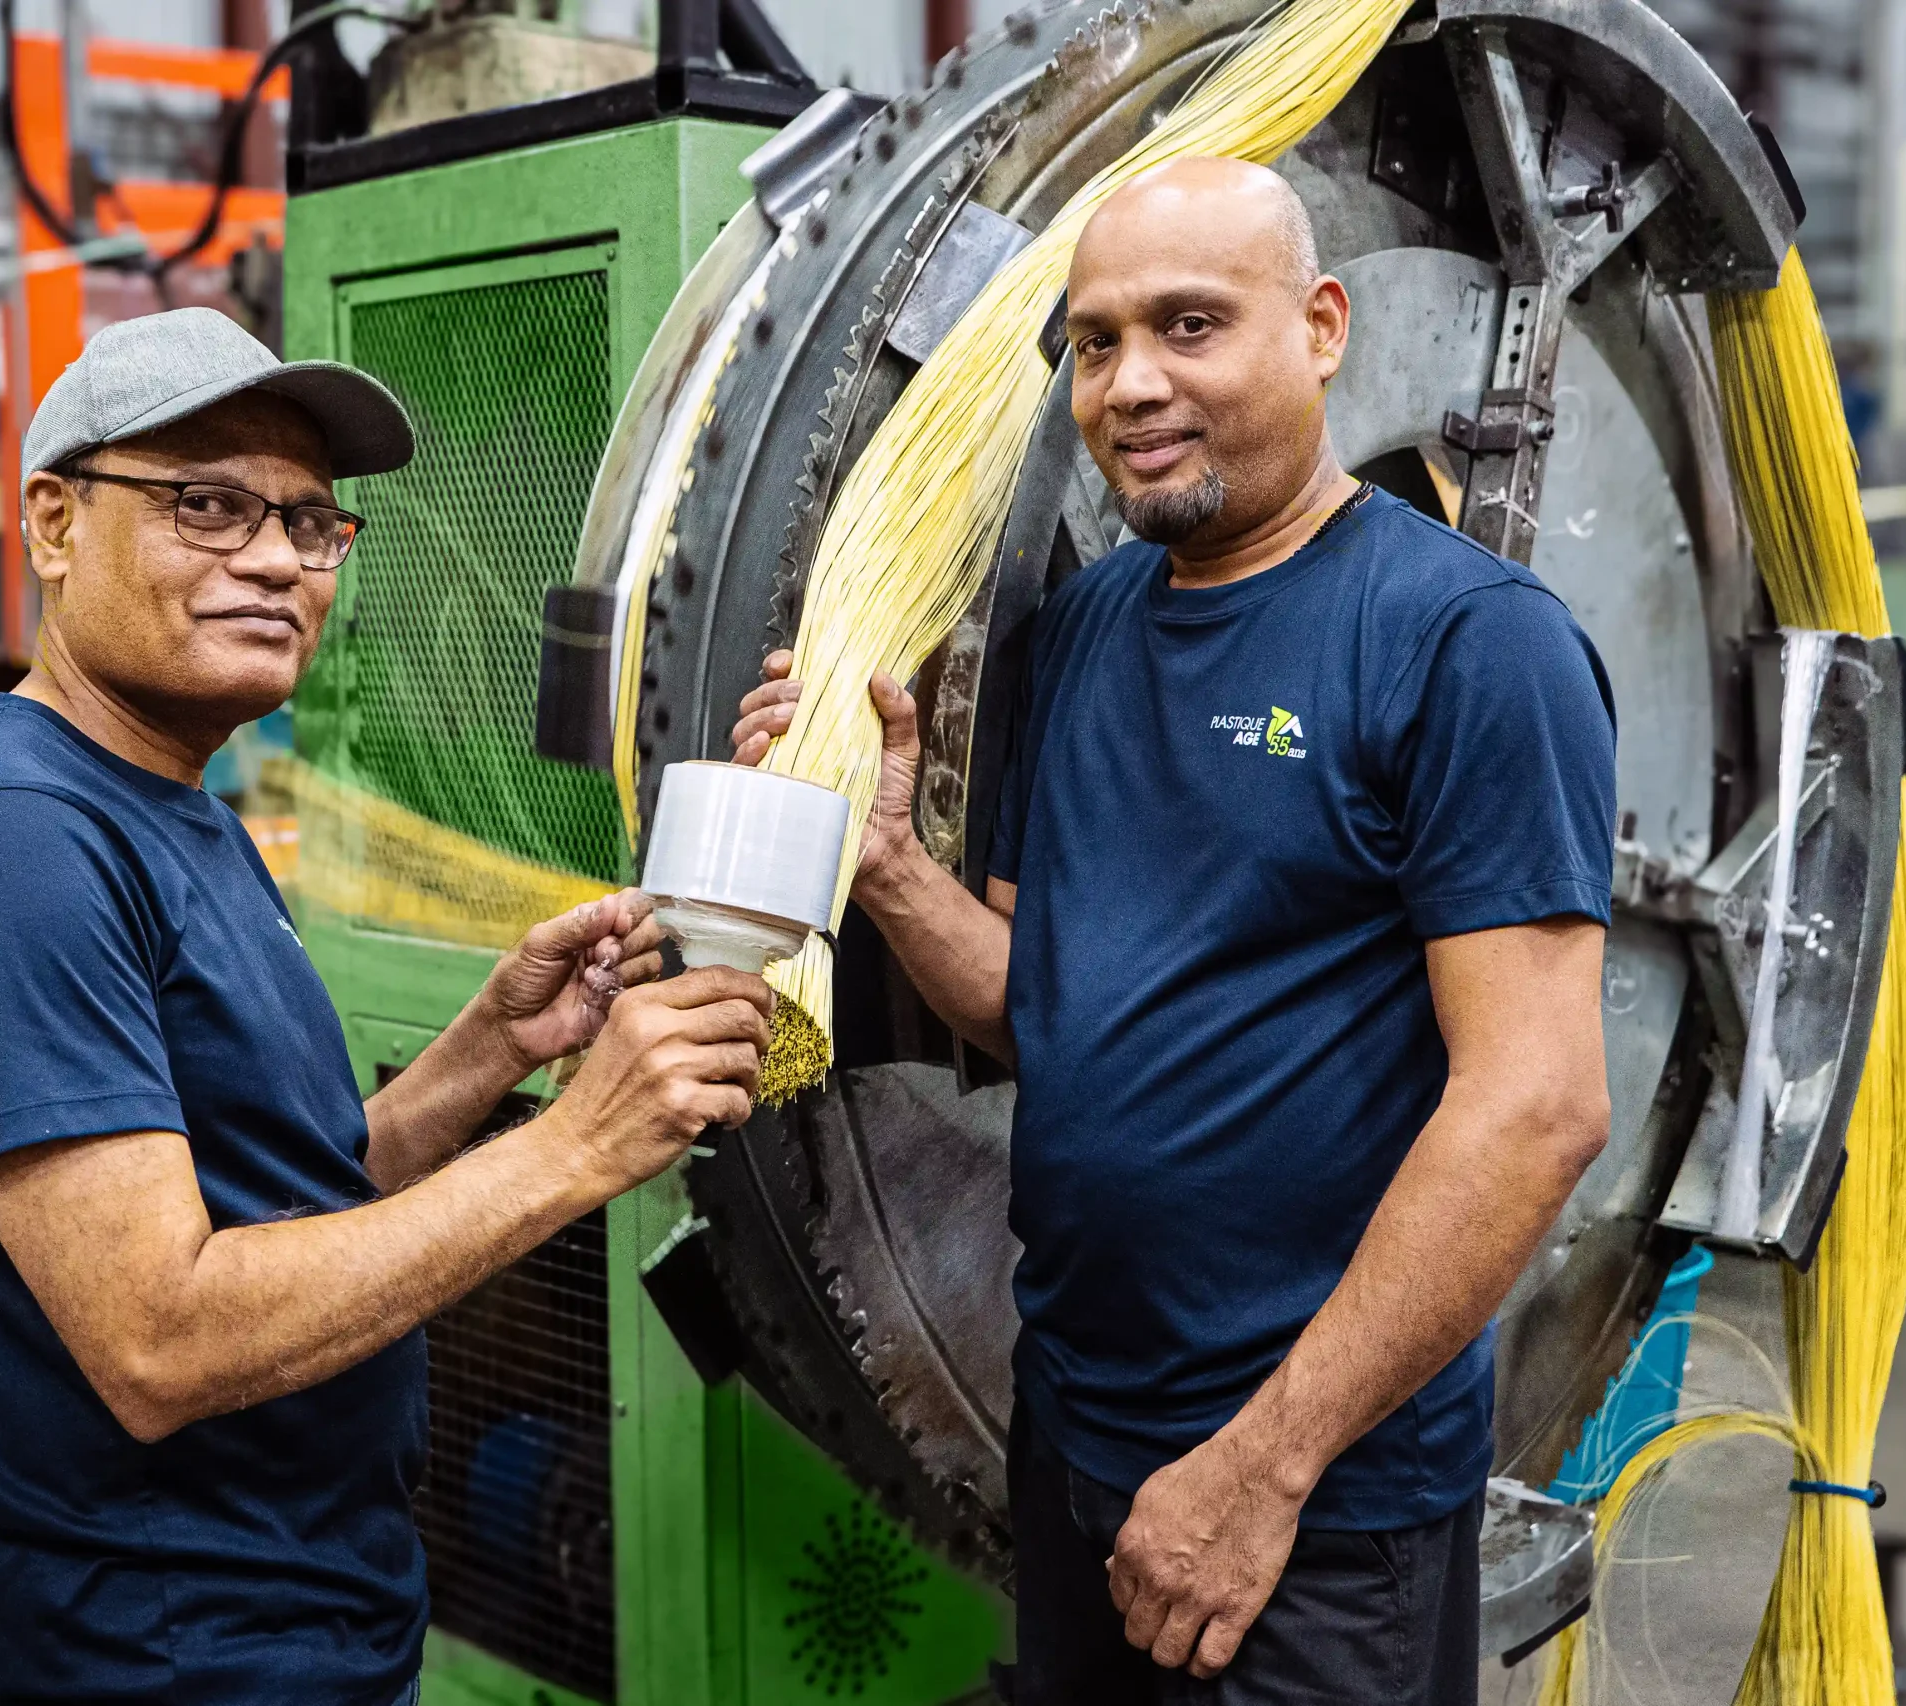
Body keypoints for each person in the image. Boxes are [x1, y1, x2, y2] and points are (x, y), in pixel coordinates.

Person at [733, 159, 1617, 1702]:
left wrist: (1261, 1471)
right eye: (1094, 343)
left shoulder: (1468, 644)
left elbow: (1537, 1109)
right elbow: (1041, 1011)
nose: (1132, 384)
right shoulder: (1086, 630)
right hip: (1080, 1437)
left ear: (1323, 326)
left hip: (1315, 1500)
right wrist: (882, 869)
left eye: (1191, 326)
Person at [0, 307, 773, 1705]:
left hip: (309, 1612)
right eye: (206, 505)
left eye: (311, 522)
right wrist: (574, 1145)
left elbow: (277, 1209)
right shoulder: (13, 851)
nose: (276, 559)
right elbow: (161, 1336)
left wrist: (483, 1055)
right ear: (52, 523)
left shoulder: (167, 806)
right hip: (180, 1650)